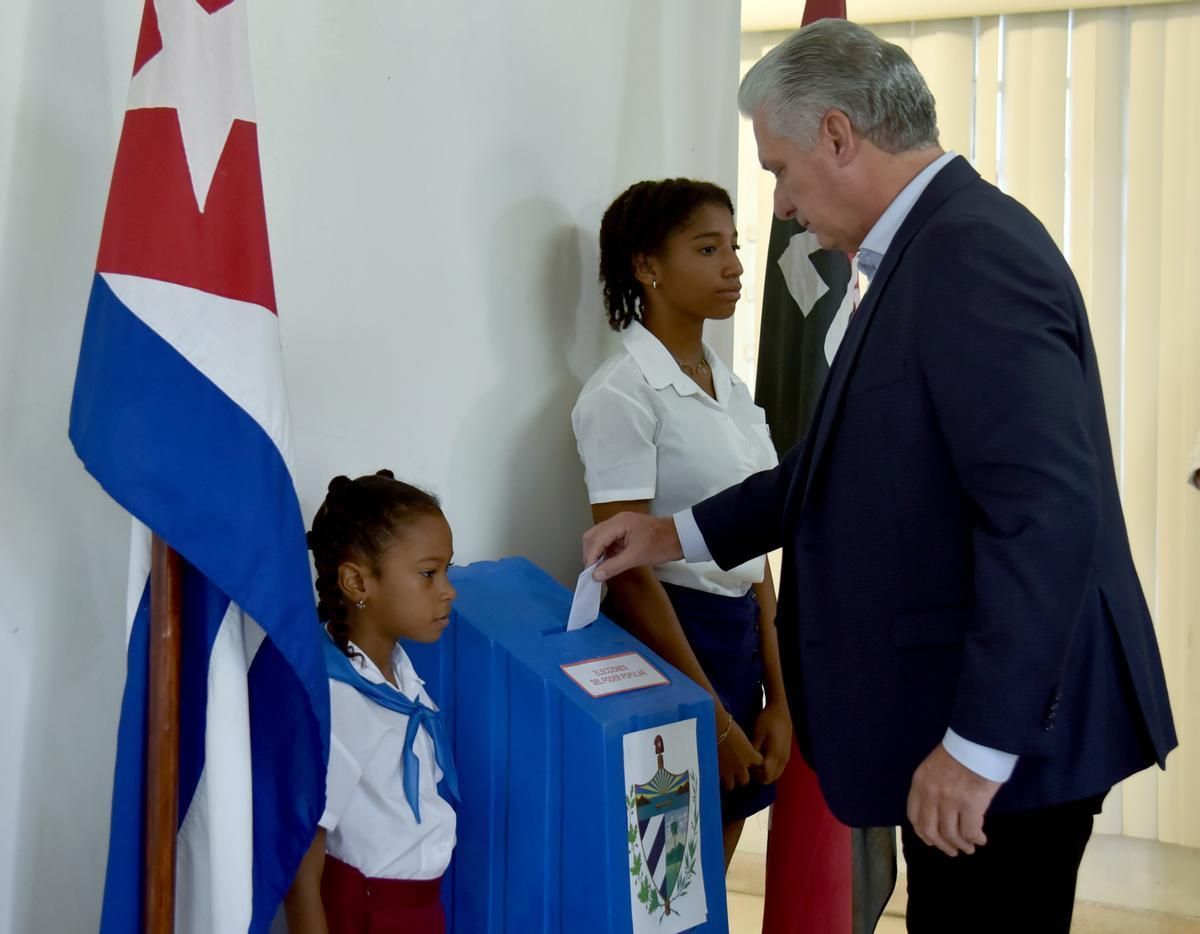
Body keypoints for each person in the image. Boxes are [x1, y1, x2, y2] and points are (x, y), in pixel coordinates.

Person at [582, 19, 1177, 933]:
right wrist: (673, 534)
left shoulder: (971, 255)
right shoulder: (921, 251)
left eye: (778, 169)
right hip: (966, 721)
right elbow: (836, 467)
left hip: (1009, 742)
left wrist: (979, 749)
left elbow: (1045, 516)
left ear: (835, 134)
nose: (779, 207)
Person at [572, 178, 791, 869]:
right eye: (707, 248)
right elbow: (627, 570)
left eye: (734, 246)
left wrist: (778, 696)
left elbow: (752, 544)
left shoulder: (729, 386)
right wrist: (713, 716)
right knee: (666, 882)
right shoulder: (622, 393)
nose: (733, 266)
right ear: (647, 266)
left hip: (740, 642)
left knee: (715, 882)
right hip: (670, 645)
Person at [285, 471, 459, 934]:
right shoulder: (337, 698)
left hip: (419, 910)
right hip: (367, 914)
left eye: (447, 570)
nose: (448, 590)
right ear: (357, 583)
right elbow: (303, 870)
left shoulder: (400, 676)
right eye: (428, 573)